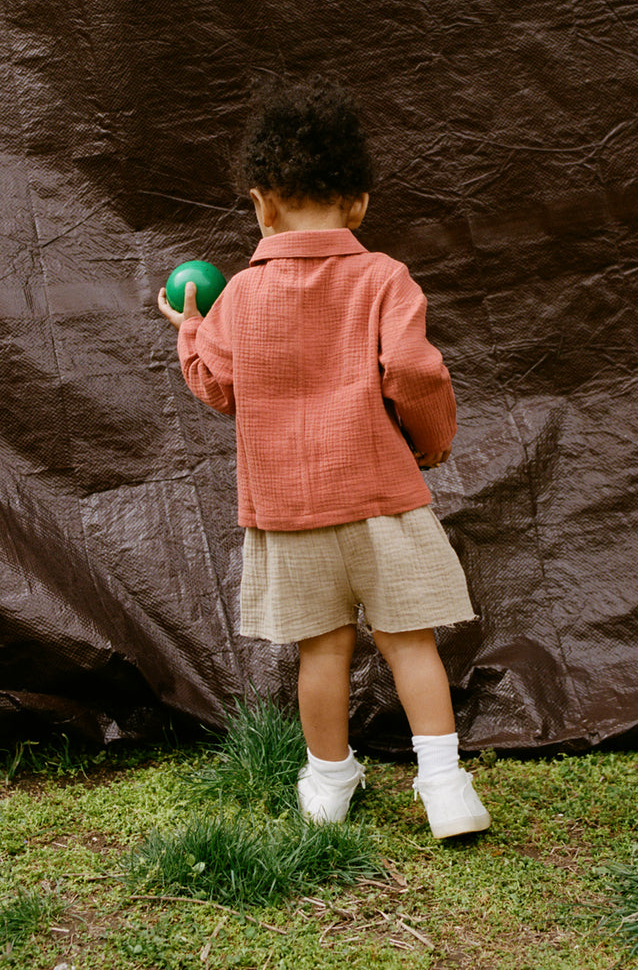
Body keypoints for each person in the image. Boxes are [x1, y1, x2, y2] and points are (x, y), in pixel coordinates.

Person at [157, 75, 489, 840]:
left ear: (259, 204)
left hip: (292, 510)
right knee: (410, 643)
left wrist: (190, 326)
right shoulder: (383, 278)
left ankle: (330, 783)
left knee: (322, 649)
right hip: (382, 500)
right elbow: (414, 372)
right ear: (361, 204)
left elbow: (219, 385)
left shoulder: (238, 294)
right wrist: (432, 440)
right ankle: (444, 786)